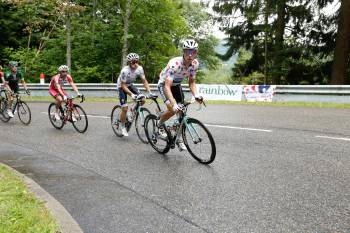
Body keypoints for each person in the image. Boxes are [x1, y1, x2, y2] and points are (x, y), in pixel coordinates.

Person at [157, 39, 203, 151]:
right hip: (165, 85)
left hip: (176, 85)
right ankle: (159, 125)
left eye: (193, 51)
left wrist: (196, 95)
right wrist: (173, 104)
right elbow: (167, 86)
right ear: (183, 51)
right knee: (173, 109)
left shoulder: (195, 64)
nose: (190, 54)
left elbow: (191, 82)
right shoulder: (175, 64)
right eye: (187, 51)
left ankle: (178, 138)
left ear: (196, 52)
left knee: (181, 113)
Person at [116, 53, 153, 137]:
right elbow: (123, 85)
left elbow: (144, 81)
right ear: (129, 62)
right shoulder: (125, 71)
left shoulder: (140, 69)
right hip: (121, 86)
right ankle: (122, 126)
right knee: (124, 108)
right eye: (133, 62)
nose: (135, 64)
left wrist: (149, 92)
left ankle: (131, 110)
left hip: (130, 85)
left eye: (136, 61)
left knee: (142, 100)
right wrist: (131, 94)